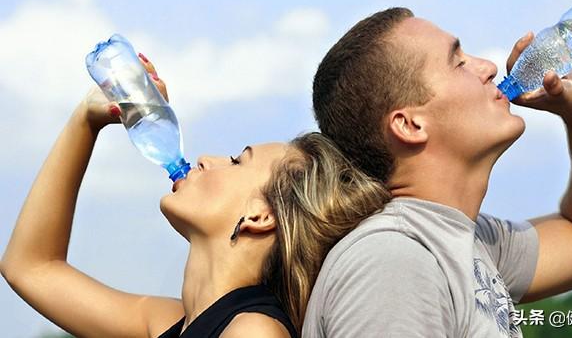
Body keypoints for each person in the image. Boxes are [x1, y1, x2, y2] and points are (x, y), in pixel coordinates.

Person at [304, 7, 572, 337]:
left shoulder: (469, 242)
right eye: (459, 62)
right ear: (409, 125)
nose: (490, 67)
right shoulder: (393, 263)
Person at [0, 55, 390, 338]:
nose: (206, 159)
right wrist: (86, 119)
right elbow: (30, 266)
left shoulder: (253, 332)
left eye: (238, 161)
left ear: (260, 215)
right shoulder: (169, 323)